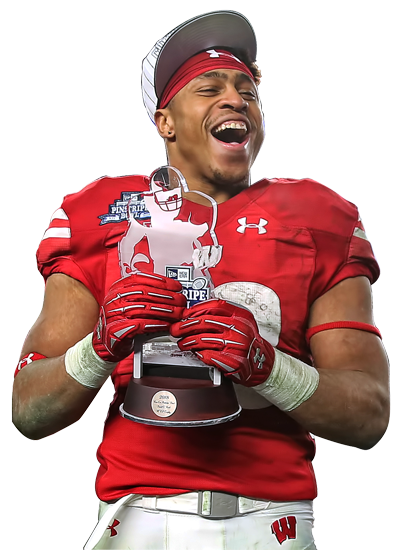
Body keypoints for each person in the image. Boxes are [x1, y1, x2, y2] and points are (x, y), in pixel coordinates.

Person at [12, 10, 390, 550]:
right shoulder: (104, 212)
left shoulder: (318, 215)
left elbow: (370, 412)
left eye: (247, 89)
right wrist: (99, 347)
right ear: (165, 122)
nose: (236, 99)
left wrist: (268, 366)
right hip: (137, 513)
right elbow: (29, 409)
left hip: (272, 517)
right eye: (209, 88)